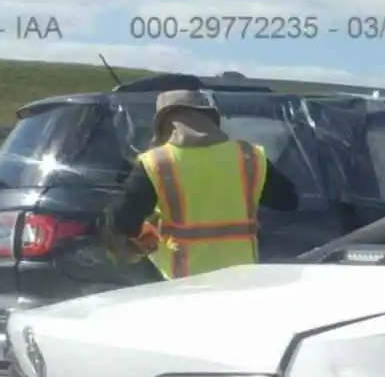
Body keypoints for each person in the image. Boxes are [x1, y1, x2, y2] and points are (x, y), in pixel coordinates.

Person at [100, 89, 298, 279]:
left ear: (165, 125)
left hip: (186, 282)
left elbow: (120, 221)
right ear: (210, 120)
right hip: (241, 277)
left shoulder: (158, 163)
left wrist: (146, 231)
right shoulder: (249, 156)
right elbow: (288, 200)